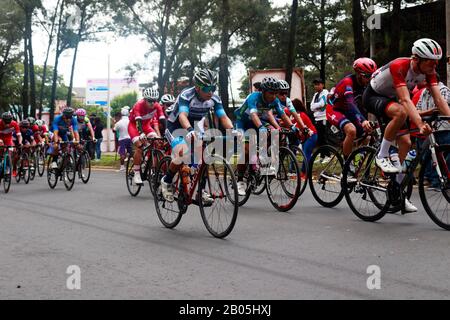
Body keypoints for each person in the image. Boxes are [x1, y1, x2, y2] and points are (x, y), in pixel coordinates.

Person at [363, 38, 450, 212]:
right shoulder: (400, 66)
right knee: (401, 111)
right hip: (374, 96)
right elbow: (404, 99)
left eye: (437, 63)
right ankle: (382, 155)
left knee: (406, 143)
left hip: (393, 100)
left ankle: (397, 192)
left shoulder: (428, 71)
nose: (435, 67)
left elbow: (439, 100)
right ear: (417, 59)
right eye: (431, 63)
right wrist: (419, 124)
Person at [161, 69, 236, 202]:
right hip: (175, 125)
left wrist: (232, 130)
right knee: (182, 153)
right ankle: (167, 181)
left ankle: (200, 191)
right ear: (197, 87)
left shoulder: (214, 98)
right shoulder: (186, 95)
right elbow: (183, 115)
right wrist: (189, 130)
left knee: (203, 157)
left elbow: (223, 117)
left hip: (195, 125)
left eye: (213, 88)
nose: (210, 92)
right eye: (207, 88)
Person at [234, 76, 299, 196]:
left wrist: (292, 127)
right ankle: (240, 180)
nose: (274, 96)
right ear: (263, 91)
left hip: (258, 121)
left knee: (276, 133)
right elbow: (253, 115)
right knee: (247, 150)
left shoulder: (275, 100)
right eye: (271, 93)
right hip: (243, 122)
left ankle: (265, 159)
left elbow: (283, 115)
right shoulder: (253, 97)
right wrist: (260, 128)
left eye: (276, 93)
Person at [326, 58, 376, 162]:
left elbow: (370, 104)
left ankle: (356, 163)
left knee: (367, 136)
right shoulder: (347, 82)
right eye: (367, 76)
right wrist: (363, 120)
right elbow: (351, 103)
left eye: (371, 76)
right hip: (334, 109)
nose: (369, 79)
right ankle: (347, 165)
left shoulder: (366, 85)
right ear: (358, 74)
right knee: (351, 130)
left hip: (347, 111)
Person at [413, 77, 450, 189]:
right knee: (431, 156)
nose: (422, 82)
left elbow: (440, 108)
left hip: (444, 128)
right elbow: (416, 111)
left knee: (445, 155)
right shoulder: (424, 92)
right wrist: (428, 112)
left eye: (424, 80)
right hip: (431, 129)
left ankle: (444, 179)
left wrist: (423, 113)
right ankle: (436, 181)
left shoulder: (443, 90)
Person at [128, 87, 163, 185]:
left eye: (154, 101)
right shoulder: (138, 105)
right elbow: (138, 122)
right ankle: (137, 173)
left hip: (147, 126)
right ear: (144, 99)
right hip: (134, 127)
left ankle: (150, 162)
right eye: (150, 101)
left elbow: (163, 121)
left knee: (156, 142)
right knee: (139, 146)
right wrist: (141, 133)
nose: (152, 103)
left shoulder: (157, 106)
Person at [290, 99, 318, 179]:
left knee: (306, 155)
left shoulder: (301, 115)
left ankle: (306, 174)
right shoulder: (296, 115)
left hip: (311, 136)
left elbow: (296, 126)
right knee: (306, 155)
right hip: (306, 137)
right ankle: (303, 173)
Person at [310, 78, 330, 163]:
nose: (316, 86)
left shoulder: (325, 93)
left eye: (318, 84)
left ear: (322, 85)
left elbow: (322, 104)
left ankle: (328, 155)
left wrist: (316, 106)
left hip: (324, 118)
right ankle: (322, 156)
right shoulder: (315, 95)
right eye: (315, 84)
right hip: (317, 118)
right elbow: (311, 107)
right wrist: (316, 106)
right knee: (319, 138)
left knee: (324, 138)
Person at [114, 107, 132, 172]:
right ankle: (136, 167)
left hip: (122, 139)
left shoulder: (119, 122)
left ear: (121, 114)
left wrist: (115, 123)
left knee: (122, 153)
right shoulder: (130, 121)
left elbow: (114, 130)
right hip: (130, 138)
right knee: (132, 153)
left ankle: (122, 167)